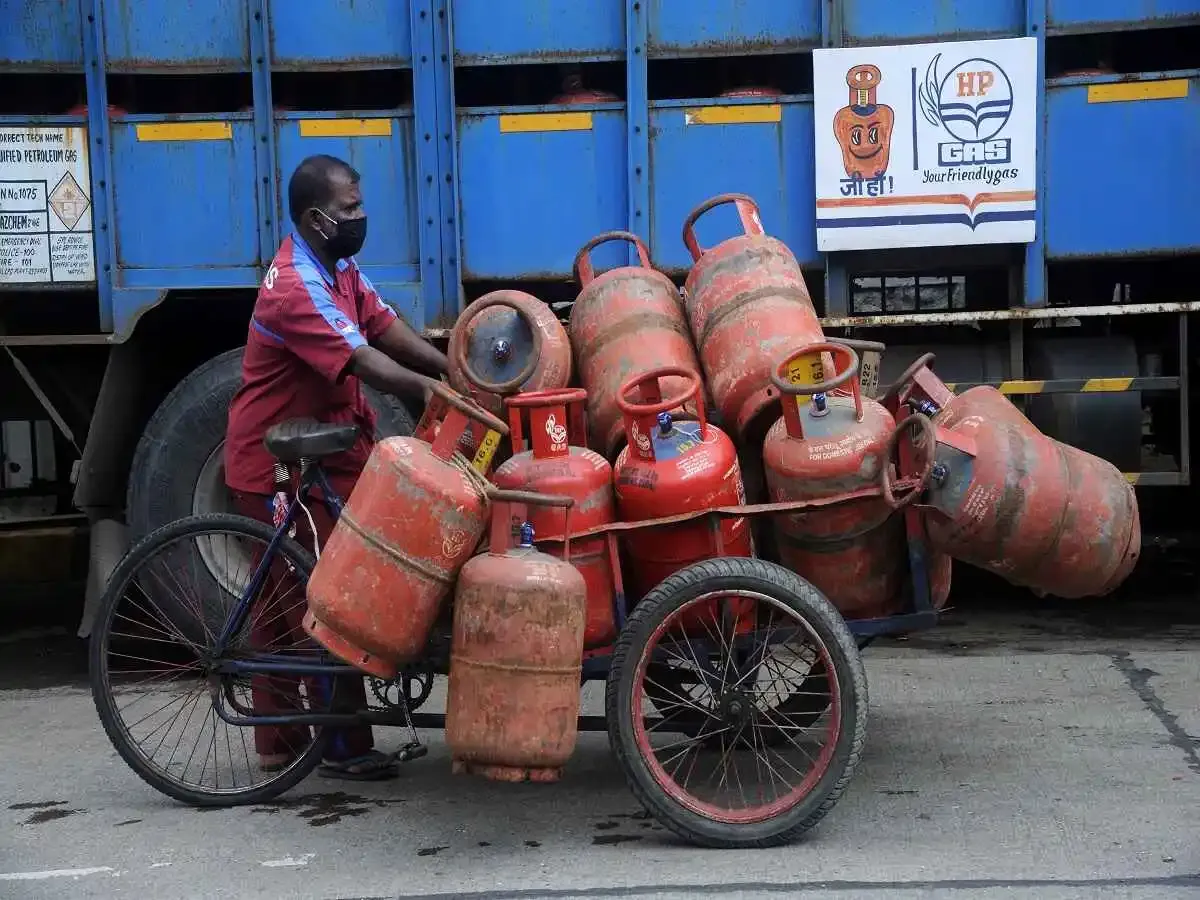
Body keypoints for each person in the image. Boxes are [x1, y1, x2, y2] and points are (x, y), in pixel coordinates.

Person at [224, 154, 448, 781]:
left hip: (331, 446)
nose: (361, 216)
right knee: (313, 601)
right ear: (317, 219)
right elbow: (363, 360)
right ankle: (331, 746)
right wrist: (423, 389)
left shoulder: (338, 264)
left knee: (304, 594)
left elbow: (385, 326)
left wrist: (446, 366)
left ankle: (289, 740)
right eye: (350, 209)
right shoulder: (298, 285)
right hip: (278, 462)